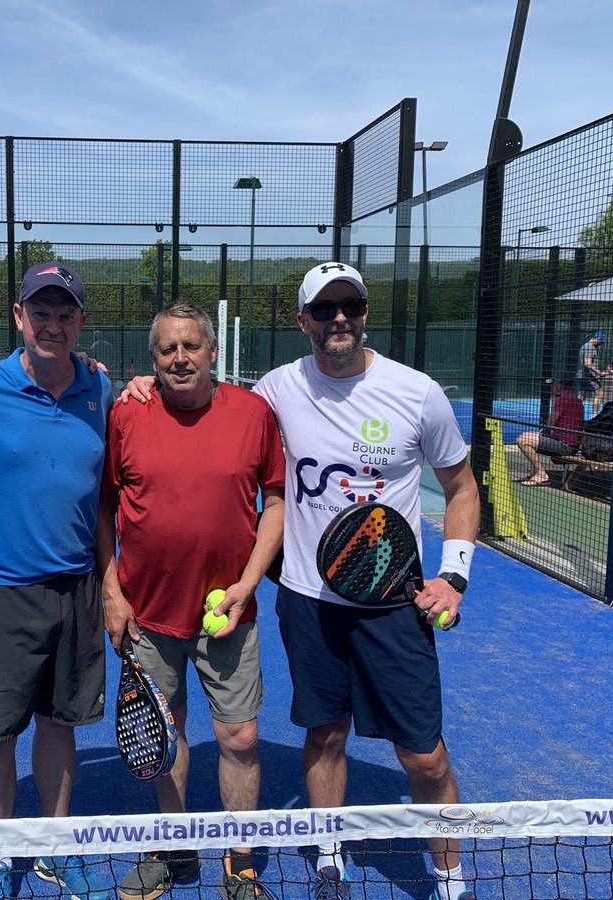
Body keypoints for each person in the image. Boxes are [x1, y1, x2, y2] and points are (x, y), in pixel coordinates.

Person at [125, 264, 480, 900]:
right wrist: (143, 382)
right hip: (308, 600)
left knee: (424, 756)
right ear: (303, 321)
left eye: (349, 306)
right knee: (325, 734)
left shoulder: (417, 392)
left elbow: (461, 487)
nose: (337, 318)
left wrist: (453, 575)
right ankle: (328, 850)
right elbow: (204, 396)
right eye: (323, 309)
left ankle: (451, 879)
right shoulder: (276, 391)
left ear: (365, 313)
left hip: (391, 603)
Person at [96, 303, 286, 900]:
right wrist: (111, 592)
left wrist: (247, 585)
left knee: (240, 738)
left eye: (191, 346)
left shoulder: (254, 414)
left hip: (229, 614)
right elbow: (104, 505)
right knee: (166, 732)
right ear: (152, 360)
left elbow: (276, 502)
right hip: (148, 614)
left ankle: (240, 859)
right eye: (167, 349)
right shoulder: (127, 412)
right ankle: (173, 847)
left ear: (211, 351)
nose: (180, 358)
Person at [0, 262, 112, 900]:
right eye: (40, 312)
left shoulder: (102, 389)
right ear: (18, 316)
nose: (53, 325)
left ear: (80, 322)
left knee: (59, 723)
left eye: (65, 314)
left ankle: (54, 847)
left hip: (78, 587)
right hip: (4, 591)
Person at [516, 373, 583, 486]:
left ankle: (541, 474)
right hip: (569, 443)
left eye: (554, 384)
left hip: (564, 445)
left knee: (522, 440)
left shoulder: (563, 399)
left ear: (559, 385)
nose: (552, 387)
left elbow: (550, 423)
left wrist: (555, 403)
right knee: (526, 434)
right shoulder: (575, 398)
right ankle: (537, 473)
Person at [577, 332, 610, 416]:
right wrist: (599, 372)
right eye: (601, 342)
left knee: (581, 395)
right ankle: (594, 415)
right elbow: (587, 363)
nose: (600, 345)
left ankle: (575, 414)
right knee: (599, 393)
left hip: (581, 375)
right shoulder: (590, 347)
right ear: (597, 339)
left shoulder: (584, 346)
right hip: (588, 377)